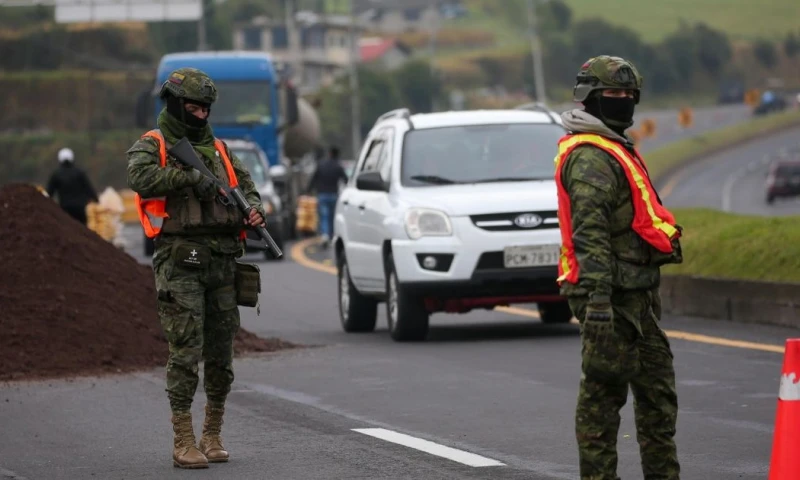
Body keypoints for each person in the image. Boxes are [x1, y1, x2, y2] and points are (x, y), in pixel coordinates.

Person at [126, 67, 267, 469]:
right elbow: (139, 176)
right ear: (173, 104)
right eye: (193, 107)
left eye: (206, 108)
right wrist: (188, 178)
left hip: (223, 262)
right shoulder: (154, 144)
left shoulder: (221, 150)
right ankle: (183, 439)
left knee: (222, 356)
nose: (201, 115)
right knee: (185, 352)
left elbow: (248, 188)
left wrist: (254, 211)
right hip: (181, 262)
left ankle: (212, 434)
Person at [554, 55, 684, 480]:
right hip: (610, 299)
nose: (623, 101)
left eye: (630, 95)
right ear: (590, 99)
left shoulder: (614, 148)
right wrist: (598, 303)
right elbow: (588, 236)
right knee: (602, 404)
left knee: (658, 401)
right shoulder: (591, 157)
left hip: (638, 297)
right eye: (613, 94)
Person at [305, 145, 348, 247]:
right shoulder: (338, 166)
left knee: (324, 216)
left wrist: (308, 190)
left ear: (329, 154)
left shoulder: (321, 165)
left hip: (322, 195)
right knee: (333, 217)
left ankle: (325, 235)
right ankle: (332, 236)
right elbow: (346, 180)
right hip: (334, 195)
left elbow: (313, 179)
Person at [45, 147, 98, 225]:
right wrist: (96, 200)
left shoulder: (56, 174)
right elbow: (88, 188)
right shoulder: (79, 173)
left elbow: (50, 192)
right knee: (82, 229)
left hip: (65, 208)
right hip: (80, 208)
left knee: (67, 228)